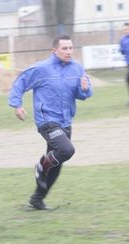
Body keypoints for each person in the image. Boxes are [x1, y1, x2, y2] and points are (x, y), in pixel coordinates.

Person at [8, 35, 92, 211]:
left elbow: (82, 95)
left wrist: (84, 89)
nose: (69, 51)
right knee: (66, 150)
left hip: (66, 121)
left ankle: (37, 200)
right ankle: (41, 165)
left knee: (56, 164)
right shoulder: (41, 69)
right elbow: (20, 82)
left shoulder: (77, 69)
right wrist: (17, 104)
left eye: (71, 48)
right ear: (55, 50)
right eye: (64, 48)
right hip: (47, 121)